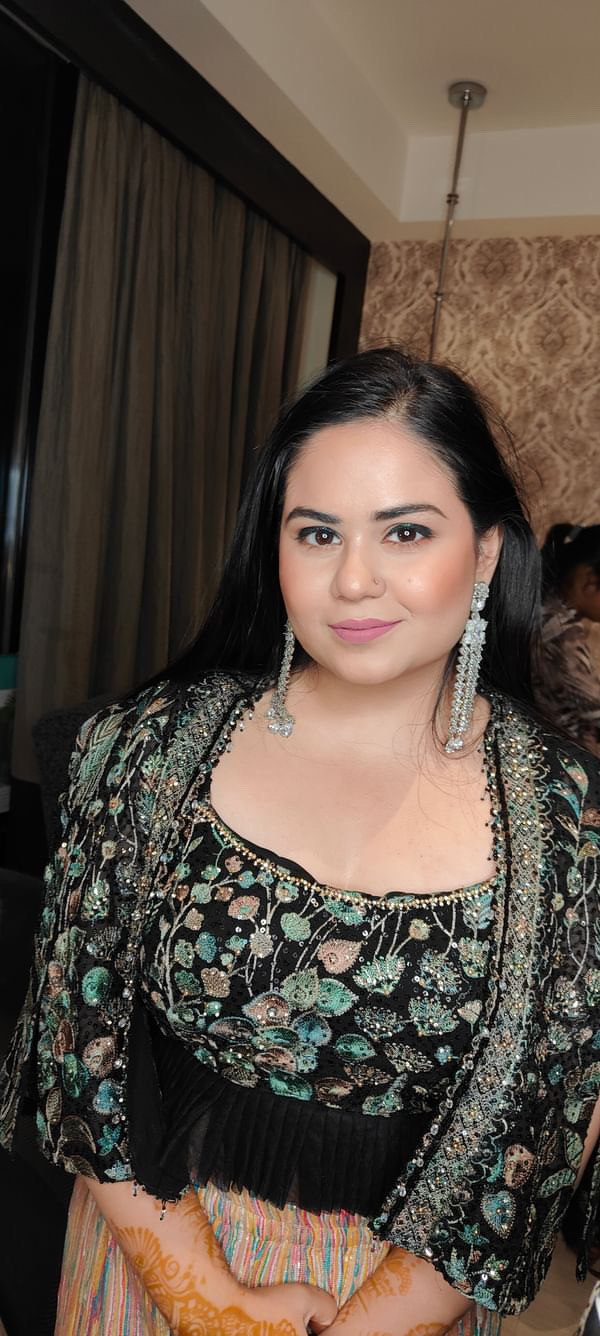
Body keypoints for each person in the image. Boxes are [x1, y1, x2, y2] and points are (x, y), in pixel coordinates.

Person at [1, 346, 600, 1335]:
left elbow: (536, 1130)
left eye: (406, 531)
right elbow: (83, 1044)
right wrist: (210, 1305)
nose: (354, 579)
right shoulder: (146, 746)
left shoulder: (568, 820)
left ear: (488, 552)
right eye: (317, 533)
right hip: (148, 1268)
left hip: (401, 1307)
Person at [535, 523, 600, 756]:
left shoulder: (544, 606)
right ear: (590, 580)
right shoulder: (560, 633)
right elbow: (594, 708)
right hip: (558, 753)